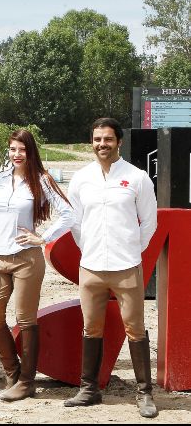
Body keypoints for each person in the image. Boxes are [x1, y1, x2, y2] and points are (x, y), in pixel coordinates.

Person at [63, 118, 158, 418]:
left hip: (127, 266)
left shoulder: (138, 177)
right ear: (91, 142)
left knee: (135, 329)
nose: (102, 144)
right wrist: (88, 248)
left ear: (119, 142)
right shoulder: (80, 179)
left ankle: (144, 393)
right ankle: (89, 389)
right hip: (90, 267)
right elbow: (75, 223)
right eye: (97, 139)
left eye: (108, 139)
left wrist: (132, 250)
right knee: (91, 328)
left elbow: (150, 223)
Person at [0, 129, 74, 401]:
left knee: (25, 320)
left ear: (30, 151)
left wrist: (43, 238)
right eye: (12, 149)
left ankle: (26, 382)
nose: (16, 154)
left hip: (27, 259)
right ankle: (13, 373)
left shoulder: (42, 180)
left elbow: (69, 213)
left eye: (21, 149)